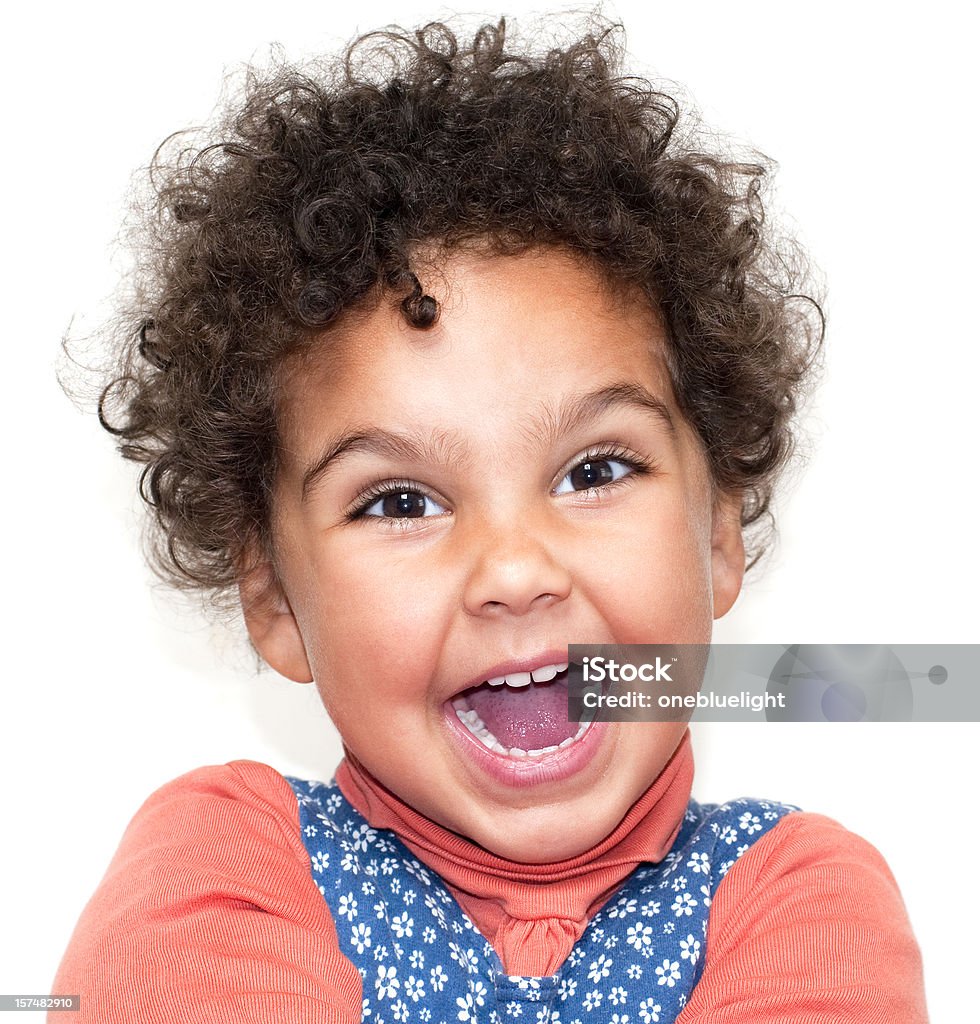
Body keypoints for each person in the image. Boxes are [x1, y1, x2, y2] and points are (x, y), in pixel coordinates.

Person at [50, 16, 926, 1023]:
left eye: (594, 469)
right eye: (398, 501)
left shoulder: (799, 897)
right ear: (275, 601)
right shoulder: (219, 861)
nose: (513, 568)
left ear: (718, 532)